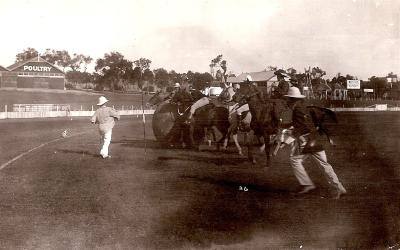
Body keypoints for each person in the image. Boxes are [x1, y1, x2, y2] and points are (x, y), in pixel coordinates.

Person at [284, 86, 347, 199]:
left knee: (295, 160)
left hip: (308, 142)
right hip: (316, 139)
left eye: (288, 98)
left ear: (292, 99)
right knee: (324, 165)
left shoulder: (297, 109)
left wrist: (288, 139)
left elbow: (303, 127)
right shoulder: (303, 108)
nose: (287, 101)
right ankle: (339, 188)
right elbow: (306, 124)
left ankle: (307, 184)